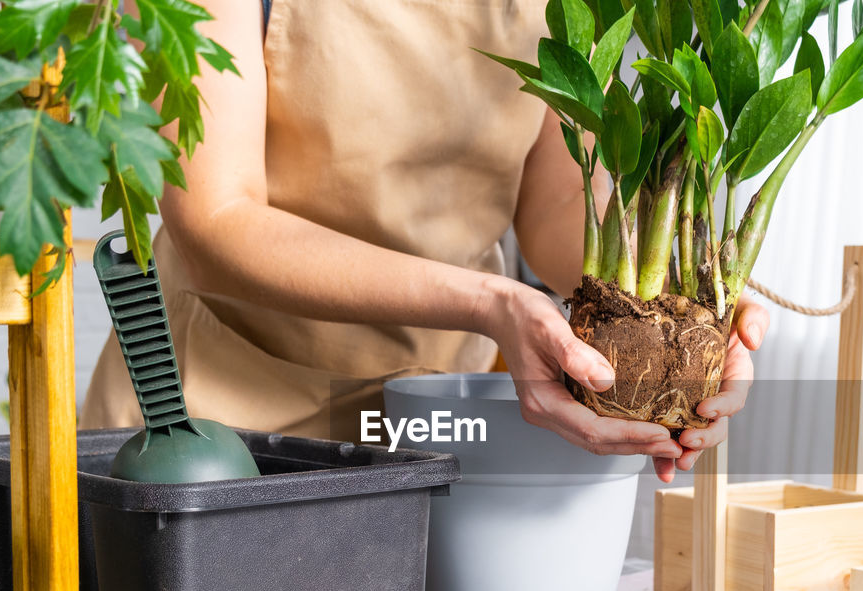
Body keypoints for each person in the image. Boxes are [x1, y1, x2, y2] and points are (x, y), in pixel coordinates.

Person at [79, 0, 768, 482]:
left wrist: (686, 313)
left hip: (431, 424)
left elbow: (559, 211)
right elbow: (215, 221)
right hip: (212, 424)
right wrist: (489, 302)